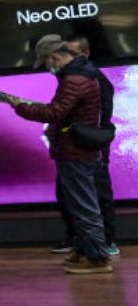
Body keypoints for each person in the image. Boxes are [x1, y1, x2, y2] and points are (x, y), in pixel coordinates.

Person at [10, 35, 111, 274]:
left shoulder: (73, 79)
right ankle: (86, 251)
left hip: (75, 152)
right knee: (80, 204)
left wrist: (20, 107)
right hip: (80, 149)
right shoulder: (83, 73)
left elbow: (54, 113)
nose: (47, 67)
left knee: (84, 207)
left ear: (54, 57)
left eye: (46, 62)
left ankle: (97, 258)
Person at [64, 36, 119, 257]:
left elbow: (103, 114)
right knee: (75, 193)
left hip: (93, 143)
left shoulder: (96, 78)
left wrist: (92, 134)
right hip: (76, 145)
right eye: (66, 54)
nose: (69, 59)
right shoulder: (74, 78)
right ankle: (80, 240)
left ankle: (108, 241)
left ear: (86, 54)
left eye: (74, 54)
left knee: (99, 190)